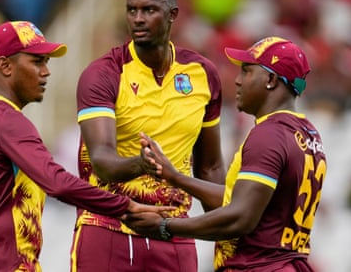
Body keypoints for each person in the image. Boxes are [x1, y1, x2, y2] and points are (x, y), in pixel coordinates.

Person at [0, 20, 172, 272]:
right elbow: (57, 182)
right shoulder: (8, 120)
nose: (46, 71)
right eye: (36, 61)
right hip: (8, 265)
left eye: (46, 62)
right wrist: (125, 206)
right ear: (5, 65)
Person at [123, 36, 327, 272]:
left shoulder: (269, 135)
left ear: (271, 79)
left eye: (247, 72)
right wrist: (175, 177)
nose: (238, 81)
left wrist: (165, 226)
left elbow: (240, 217)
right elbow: (241, 200)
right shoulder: (308, 133)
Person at [73, 0, 225, 272]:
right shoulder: (104, 74)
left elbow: (209, 166)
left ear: (173, 15)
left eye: (149, 10)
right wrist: (144, 164)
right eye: (132, 10)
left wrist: (225, 225)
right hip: (108, 227)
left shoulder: (202, 75)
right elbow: (102, 159)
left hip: (173, 231)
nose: (138, 19)